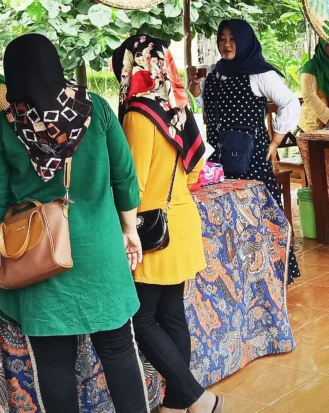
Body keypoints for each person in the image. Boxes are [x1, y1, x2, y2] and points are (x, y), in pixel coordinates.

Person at [0, 34, 147, 413]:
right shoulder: (98, 110)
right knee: (119, 352)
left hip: (40, 261)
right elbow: (124, 178)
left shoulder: (4, 127)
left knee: (54, 367)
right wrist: (130, 230)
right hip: (99, 253)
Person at [112, 35, 220, 413]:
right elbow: (194, 172)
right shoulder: (176, 103)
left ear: (130, 67)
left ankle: (198, 398)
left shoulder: (137, 113)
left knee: (141, 320)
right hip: (182, 219)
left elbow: (133, 184)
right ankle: (178, 405)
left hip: (152, 230)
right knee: (171, 313)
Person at [186, 19, 301, 281]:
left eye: (232, 39)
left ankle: (273, 272)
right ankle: (239, 272)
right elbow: (207, 105)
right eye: (222, 38)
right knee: (229, 216)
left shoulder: (260, 74)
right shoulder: (215, 72)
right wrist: (195, 89)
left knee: (260, 215)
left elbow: (290, 104)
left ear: (245, 41)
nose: (226, 44)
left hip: (253, 157)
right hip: (220, 157)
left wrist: (274, 142)